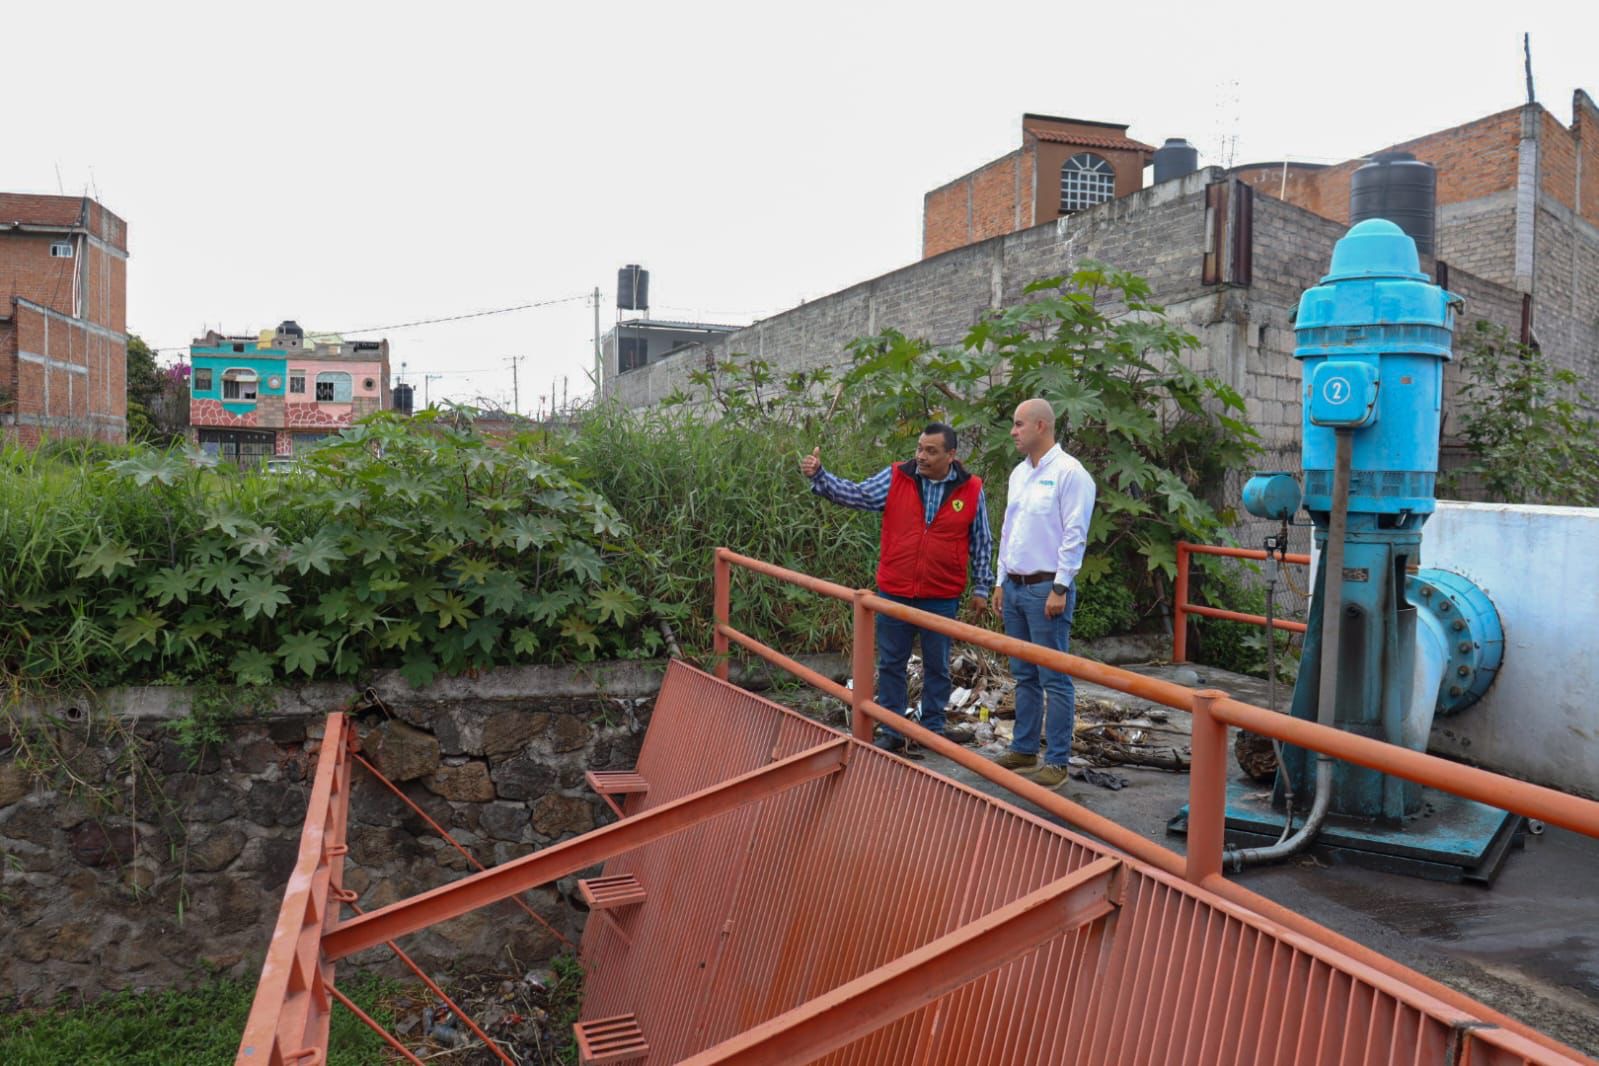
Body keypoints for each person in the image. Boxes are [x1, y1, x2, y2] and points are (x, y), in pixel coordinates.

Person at [801, 424, 993, 753]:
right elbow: (857, 494)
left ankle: (930, 728)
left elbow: (981, 540)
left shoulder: (971, 490)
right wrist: (820, 476)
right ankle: (892, 729)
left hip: (941, 595)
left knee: (937, 665)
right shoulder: (896, 477)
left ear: (951, 455)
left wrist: (982, 587)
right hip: (896, 592)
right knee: (892, 663)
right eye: (919, 448)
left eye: (931, 451)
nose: (921, 456)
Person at [991, 398, 1097, 786]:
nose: (1013, 432)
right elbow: (1009, 529)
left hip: (1045, 589)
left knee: (1055, 676)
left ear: (1041, 426)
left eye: (1019, 424)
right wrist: (1001, 580)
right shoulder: (1019, 474)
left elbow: (1075, 534)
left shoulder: (1071, 473)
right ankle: (1023, 748)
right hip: (1016, 588)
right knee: (1024, 675)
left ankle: (1056, 761)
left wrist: (1060, 586)